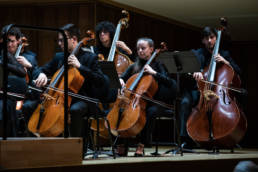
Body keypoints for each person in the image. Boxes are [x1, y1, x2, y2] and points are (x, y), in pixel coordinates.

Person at [33, 24, 107, 137]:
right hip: (60, 99)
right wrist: (41, 74)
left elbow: (100, 80)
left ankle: (76, 148)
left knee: (75, 110)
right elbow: (40, 69)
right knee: (29, 105)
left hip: (84, 100)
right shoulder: (59, 57)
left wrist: (80, 67)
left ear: (74, 39)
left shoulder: (89, 57)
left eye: (62, 40)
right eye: (58, 40)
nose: (59, 43)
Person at [178, 26, 241, 147]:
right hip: (198, 90)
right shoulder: (196, 54)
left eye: (212, 37)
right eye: (206, 38)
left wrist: (225, 62)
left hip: (218, 91)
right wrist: (195, 72)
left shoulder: (224, 54)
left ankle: (228, 136)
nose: (209, 41)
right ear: (203, 41)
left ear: (216, 39)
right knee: (185, 102)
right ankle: (185, 139)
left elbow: (238, 71)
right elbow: (186, 72)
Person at [118, 37, 177, 156]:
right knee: (121, 110)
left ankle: (142, 144)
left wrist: (154, 73)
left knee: (150, 112)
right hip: (135, 101)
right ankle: (122, 143)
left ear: (151, 49)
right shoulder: (134, 66)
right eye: (138, 48)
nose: (140, 51)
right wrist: (120, 80)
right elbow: (121, 77)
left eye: (143, 48)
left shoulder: (159, 65)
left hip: (155, 101)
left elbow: (171, 83)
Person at [0, 26, 27, 137]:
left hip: (19, 97)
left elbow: (23, 73)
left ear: (19, 41)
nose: (9, 44)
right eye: (7, 41)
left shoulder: (28, 57)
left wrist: (29, 66)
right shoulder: (4, 53)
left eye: (11, 41)